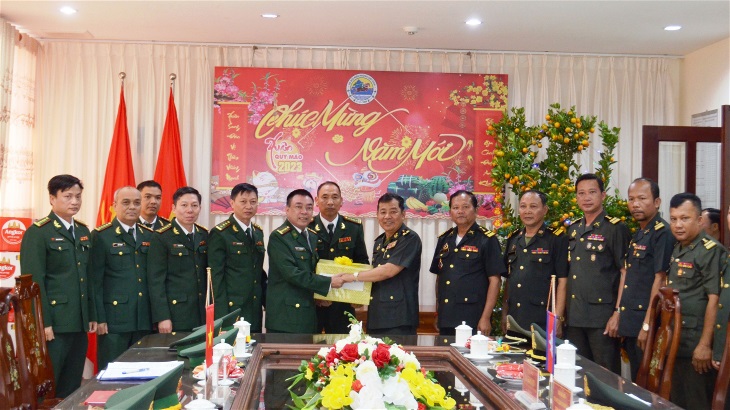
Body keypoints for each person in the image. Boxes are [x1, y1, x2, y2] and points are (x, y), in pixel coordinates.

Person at [19, 174, 97, 397]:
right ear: (52, 199)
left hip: (78, 321)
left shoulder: (82, 231)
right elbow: (33, 284)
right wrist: (43, 322)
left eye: (78, 196)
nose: (75, 201)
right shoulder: (39, 233)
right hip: (54, 323)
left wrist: (90, 314)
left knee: (72, 383)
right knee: (48, 383)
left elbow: (87, 277)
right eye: (68, 196)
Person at [565, 173, 630, 374]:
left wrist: (618, 313)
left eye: (592, 192)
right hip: (574, 317)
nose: (586, 198)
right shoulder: (573, 229)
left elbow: (625, 272)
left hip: (602, 318)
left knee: (605, 375)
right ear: (576, 198)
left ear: (603, 195)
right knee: (577, 373)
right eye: (581, 193)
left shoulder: (615, 228)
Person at [667, 193, 726, 408]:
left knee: (695, 402)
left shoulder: (710, 251)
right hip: (676, 341)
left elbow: (715, 299)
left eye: (685, 218)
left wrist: (704, 344)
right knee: (675, 401)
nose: (678, 225)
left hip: (695, 345)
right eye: (673, 219)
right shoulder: (679, 248)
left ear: (700, 220)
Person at [614, 178, 674, 381]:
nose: (635, 204)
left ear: (657, 202)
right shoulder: (639, 233)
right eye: (631, 199)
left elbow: (661, 279)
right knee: (636, 382)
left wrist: (647, 325)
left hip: (646, 322)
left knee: (647, 384)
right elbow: (631, 277)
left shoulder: (662, 232)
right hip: (632, 320)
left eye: (642, 198)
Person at [340, 193, 422, 335]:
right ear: (377, 215)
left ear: (403, 214)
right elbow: (374, 276)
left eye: (393, 211)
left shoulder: (409, 238)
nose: (387, 217)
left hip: (399, 318)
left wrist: (352, 276)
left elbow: (388, 270)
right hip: (377, 314)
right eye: (383, 212)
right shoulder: (379, 242)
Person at [265, 189, 345, 333]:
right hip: (286, 318)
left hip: (308, 314)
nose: (304, 212)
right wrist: (328, 282)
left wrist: (319, 296)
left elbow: (312, 270)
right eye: (298, 206)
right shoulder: (279, 237)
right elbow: (292, 274)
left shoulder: (312, 236)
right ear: (287, 210)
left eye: (309, 208)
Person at [91, 186, 154, 370]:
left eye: (136, 202)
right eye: (126, 203)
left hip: (143, 317)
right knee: (113, 372)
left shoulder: (148, 234)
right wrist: (100, 317)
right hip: (114, 320)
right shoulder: (101, 236)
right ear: (114, 206)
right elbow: (95, 281)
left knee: (142, 372)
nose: (132, 207)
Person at [429, 190, 504, 336]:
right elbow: (440, 278)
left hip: (473, 318)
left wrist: (486, 317)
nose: (460, 212)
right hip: (447, 317)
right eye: (455, 208)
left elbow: (495, 281)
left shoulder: (486, 239)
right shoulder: (444, 239)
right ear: (450, 211)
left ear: (475, 210)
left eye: (465, 207)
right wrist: (438, 313)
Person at [501, 190, 568, 338]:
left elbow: (563, 281)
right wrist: (504, 312)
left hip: (542, 318)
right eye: (523, 206)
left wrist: (558, 318)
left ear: (544, 210)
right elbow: (509, 279)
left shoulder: (556, 239)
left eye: (533, 206)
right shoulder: (513, 239)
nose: (527, 211)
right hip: (515, 317)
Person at [310, 181, 369, 334]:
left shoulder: (353, 227)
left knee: (343, 352)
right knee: (308, 349)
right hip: (313, 303)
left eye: (335, 197)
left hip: (344, 304)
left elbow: (362, 262)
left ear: (341, 201)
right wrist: (314, 294)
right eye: (325, 197)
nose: (330, 202)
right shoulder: (308, 227)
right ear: (316, 201)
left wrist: (358, 296)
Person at [147, 186, 208, 332]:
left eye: (194, 205)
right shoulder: (162, 237)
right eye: (184, 205)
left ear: (200, 208)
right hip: (175, 314)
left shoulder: (204, 234)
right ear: (174, 208)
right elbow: (156, 281)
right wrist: (162, 317)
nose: (189, 210)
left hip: (201, 312)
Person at [209, 183, 267, 332]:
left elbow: (258, 271)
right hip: (231, 308)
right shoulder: (221, 233)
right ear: (232, 203)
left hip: (254, 306)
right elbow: (216, 277)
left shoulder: (258, 232)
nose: (249, 206)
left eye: (253, 202)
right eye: (243, 201)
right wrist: (221, 315)